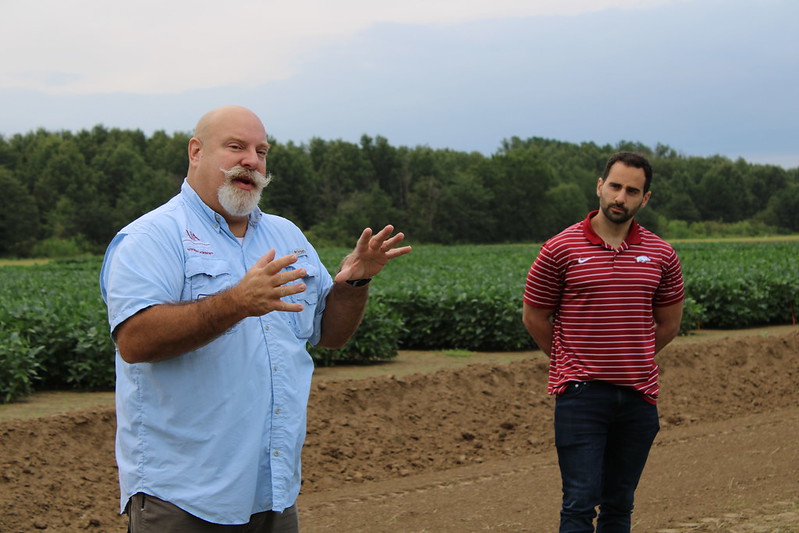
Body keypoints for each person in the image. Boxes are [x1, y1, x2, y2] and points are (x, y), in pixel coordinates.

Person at [99, 105, 411, 532]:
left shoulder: (286, 236)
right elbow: (135, 342)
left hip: (273, 492)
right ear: (196, 152)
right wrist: (237, 302)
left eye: (261, 151)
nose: (252, 160)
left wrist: (354, 285)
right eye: (236, 147)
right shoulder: (151, 238)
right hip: (184, 498)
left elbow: (330, 333)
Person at [522, 151, 684, 532]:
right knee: (579, 504)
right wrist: (573, 358)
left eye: (632, 191)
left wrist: (632, 355)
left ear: (645, 199)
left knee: (619, 506)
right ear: (599, 186)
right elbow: (534, 317)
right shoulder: (559, 249)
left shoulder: (662, 254)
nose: (620, 197)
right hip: (581, 396)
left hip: (638, 397)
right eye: (614, 186)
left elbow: (669, 324)